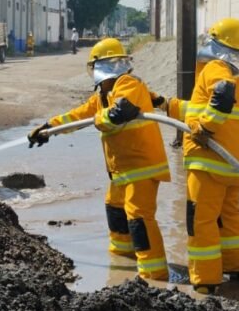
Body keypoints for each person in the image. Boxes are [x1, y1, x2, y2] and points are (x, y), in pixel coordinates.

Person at [28, 38, 171, 279]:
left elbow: (120, 112)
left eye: (95, 67)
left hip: (141, 167)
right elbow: (78, 115)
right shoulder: (103, 95)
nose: (93, 72)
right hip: (121, 170)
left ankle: (153, 274)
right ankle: (122, 259)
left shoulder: (128, 84)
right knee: (114, 207)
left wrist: (99, 120)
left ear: (105, 65)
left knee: (139, 217)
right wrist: (48, 128)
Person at [164, 18, 239, 294]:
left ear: (216, 44)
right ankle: (236, 269)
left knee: (200, 221)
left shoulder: (216, 69)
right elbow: (201, 107)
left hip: (208, 163)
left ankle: (205, 280)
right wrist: (166, 106)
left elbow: (220, 98)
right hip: (233, 165)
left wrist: (204, 128)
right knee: (229, 219)